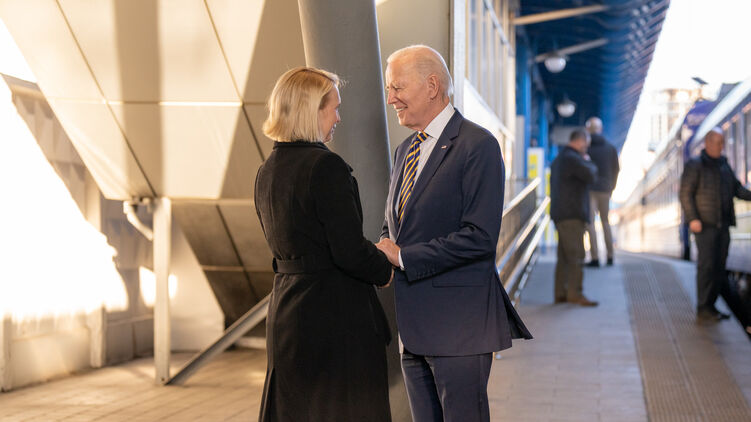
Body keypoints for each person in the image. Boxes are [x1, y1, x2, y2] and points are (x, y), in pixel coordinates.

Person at [376, 45, 532, 422]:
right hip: (413, 329)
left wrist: (403, 256)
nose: (391, 98)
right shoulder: (404, 151)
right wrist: (385, 248)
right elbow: (394, 224)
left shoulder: (478, 145)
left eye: (398, 87)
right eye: (389, 89)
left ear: (432, 86)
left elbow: (479, 237)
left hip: (459, 328)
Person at [254, 67, 394, 422]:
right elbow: (348, 251)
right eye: (334, 107)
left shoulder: (267, 170)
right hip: (333, 318)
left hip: (287, 312)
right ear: (311, 110)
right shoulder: (326, 167)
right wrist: (384, 266)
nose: (338, 118)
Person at [679, 128, 751, 322]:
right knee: (707, 267)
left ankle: (710, 307)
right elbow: (685, 193)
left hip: (723, 225)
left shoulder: (724, 166)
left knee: (719, 267)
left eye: (722, 142)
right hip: (704, 225)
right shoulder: (695, 165)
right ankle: (703, 307)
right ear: (708, 143)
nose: (721, 146)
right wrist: (693, 218)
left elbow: (738, 190)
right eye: (718, 142)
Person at [550, 128, 599, 307]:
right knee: (577, 255)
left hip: (561, 213)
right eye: (586, 144)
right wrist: (588, 161)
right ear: (580, 141)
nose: (587, 148)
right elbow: (592, 175)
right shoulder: (573, 159)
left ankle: (561, 293)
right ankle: (575, 294)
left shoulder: (559, 159)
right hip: (572, 214)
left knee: (564, 256)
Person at [584, 117, 620, 267]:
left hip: (590, 189)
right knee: (605, 222)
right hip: (605, 189)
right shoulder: (610, 148)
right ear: (601, 129)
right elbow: (616, 169)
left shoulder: (585, 147)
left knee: (590, 223)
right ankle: (610, 256)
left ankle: (595, 258)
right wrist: (612, 187)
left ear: (588, 129)